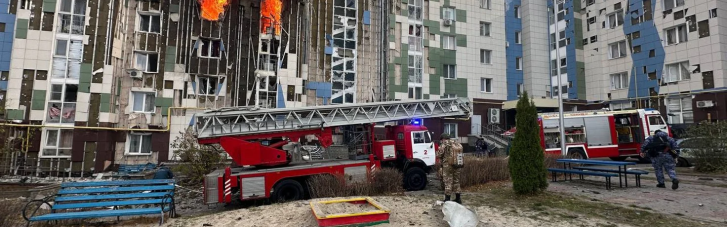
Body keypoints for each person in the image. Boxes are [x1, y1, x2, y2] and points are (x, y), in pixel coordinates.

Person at [436, 133, 464, 203]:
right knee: (456, 181)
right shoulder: (456, 143)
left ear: (443, 139)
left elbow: (439, 155)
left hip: (448, 166)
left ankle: (447, 199)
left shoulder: (444, 145)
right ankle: (458, 199)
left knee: (448, 181)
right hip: (457, 165)